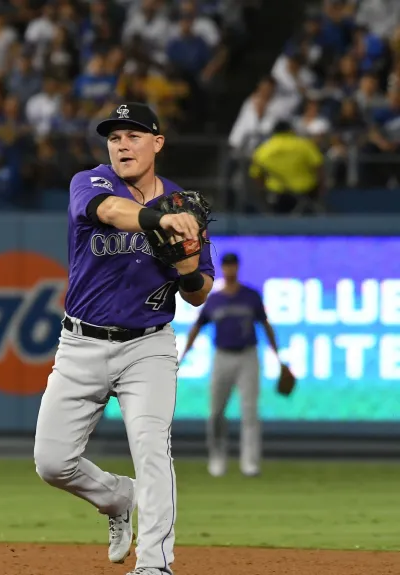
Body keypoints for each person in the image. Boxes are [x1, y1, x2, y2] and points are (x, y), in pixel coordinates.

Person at [34, 102, 214, 575]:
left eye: (134, 135)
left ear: (157, 143)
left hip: (147, 345)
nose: (122, 144)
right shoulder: (91, 182)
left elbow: (198, 294)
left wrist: (187, 264)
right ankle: (119, 498)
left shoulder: (184, 204)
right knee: (52, 462)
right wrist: (159, 222)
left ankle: (155, 564)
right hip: (81, 344)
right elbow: (110, 212)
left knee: (151, 445)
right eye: (115, 137)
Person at [179, 253, 280, 478]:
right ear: (223, 268)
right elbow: (198, 326)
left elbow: (265, 324)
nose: (229, 269)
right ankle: (217, 458)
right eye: (226, 265)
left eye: (232, 265)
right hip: (222, 355)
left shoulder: (250, 296)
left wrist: (277, 355)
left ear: (237, 267)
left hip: (248, 355)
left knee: (250, 411)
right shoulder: (215, 299)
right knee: (216, 412)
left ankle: (250, 463)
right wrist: (184, 352)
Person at [248, 120, 325, 214]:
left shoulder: (263, 149)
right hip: (305, 192)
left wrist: (263, 191)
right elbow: (318, 167)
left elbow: (255, 174)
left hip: (276, 194)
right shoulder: (305, 145)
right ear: (291, 130)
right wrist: (321, 188)